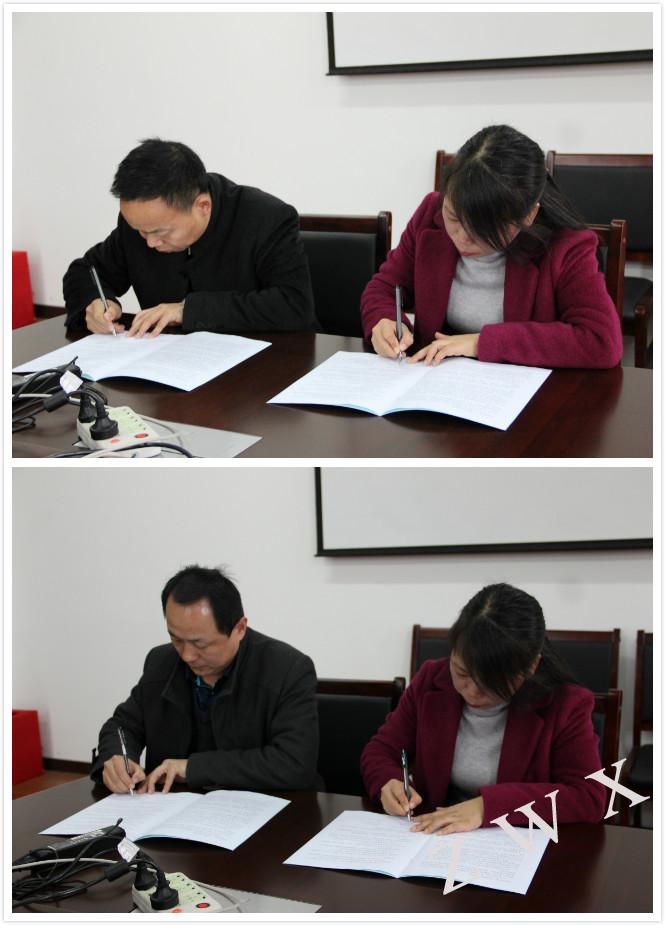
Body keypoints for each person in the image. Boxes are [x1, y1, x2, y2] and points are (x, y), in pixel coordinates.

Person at [361, 125, 623, 369]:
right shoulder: (431, 213)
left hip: (524, 391)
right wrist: (383, 321)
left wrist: (480, 343)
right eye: (453, 217)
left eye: (481, 229)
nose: (462, 237)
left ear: (528, 216)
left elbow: (600, 340)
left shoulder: (566, 244)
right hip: (438, 380)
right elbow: (384, 287)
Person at [360, 583, 606, 835]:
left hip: (515, 843)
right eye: (462, 672)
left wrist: (487, 807)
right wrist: (387, 782)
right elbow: (381, 750)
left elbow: (587, 796)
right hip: (435, 838)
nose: (472, 691)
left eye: (491, 682)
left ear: (531, 667)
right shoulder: (431, 681)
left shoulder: (565, 703)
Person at [91, 565, 319, 794]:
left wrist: (192, 768)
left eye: (200, 643)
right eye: (176, 639)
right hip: (170, 807)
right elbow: (122, 725)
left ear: (240, 628)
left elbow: (294, 763)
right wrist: (117, 758)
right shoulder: (161, 662)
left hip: (263, 807)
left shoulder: (287, 670)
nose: (187, 655)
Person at [63, 139, 318, 336]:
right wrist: (97, 302)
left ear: (202, 206)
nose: (149, 242)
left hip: (263, 368)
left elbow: (293, 306)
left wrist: (187, 311)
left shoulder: (266, 218)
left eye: (160, 232)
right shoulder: (141, 224)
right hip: (169, 368)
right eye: (140, 230)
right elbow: (84, 271)